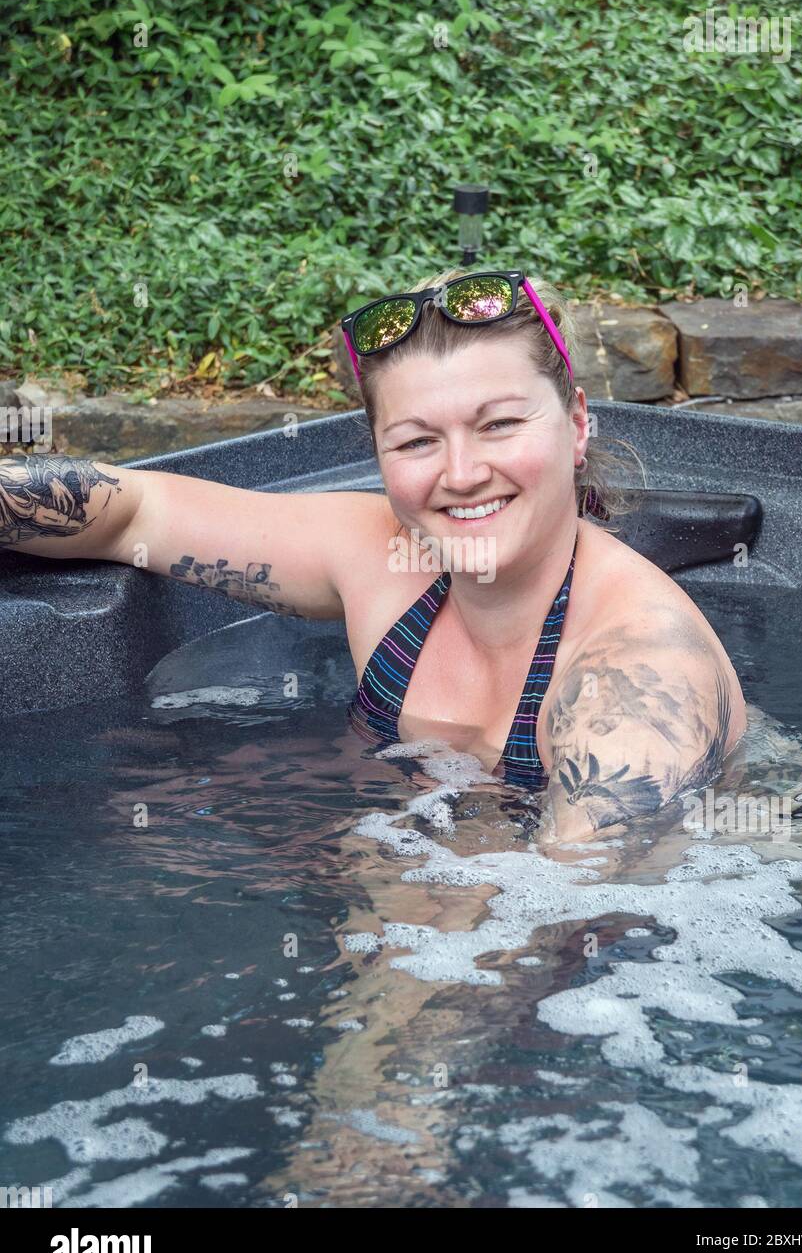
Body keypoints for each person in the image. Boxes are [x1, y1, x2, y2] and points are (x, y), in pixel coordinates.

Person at [0, 268, 746, 844]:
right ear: (379, 455)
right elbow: (137, 508)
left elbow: (555, 930)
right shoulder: (380, 557)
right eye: (418, 440)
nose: (459, 473)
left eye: (499, 425)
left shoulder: (639, 686)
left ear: (576, 425)